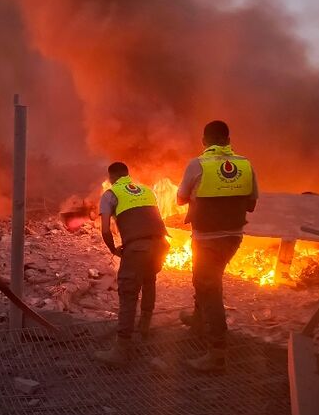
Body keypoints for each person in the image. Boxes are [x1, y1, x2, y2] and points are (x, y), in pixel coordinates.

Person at [176, 120, 258, 371]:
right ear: (228, 139)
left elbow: (180, 199)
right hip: (233, 237)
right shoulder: (245, 165)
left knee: (210, 289)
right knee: (204, 280)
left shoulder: (198, 164)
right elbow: (251, 204)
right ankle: (199, 320)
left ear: (205, 140)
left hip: (207, 239)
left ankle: (217, 353)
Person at [94, 162, 169, 365]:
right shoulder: (147, 190)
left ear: (111, 178)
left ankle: (122, 349)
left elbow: (105, 230)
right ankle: (144, 327)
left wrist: (113, 249)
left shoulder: (110, 194)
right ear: (128, 175)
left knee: (127, 292)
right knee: (149, 278)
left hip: (137, 247)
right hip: (161, 243)